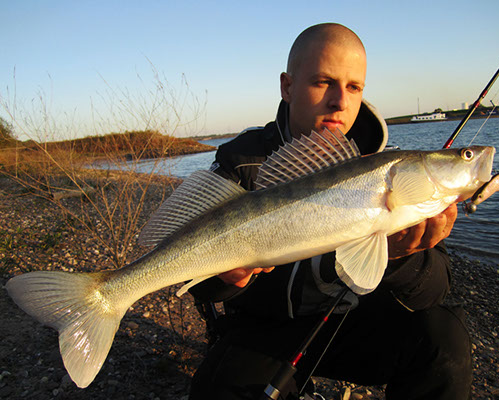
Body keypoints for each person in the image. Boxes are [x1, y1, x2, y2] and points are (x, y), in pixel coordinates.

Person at [189, 23, 472, 400]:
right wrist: (227, 277)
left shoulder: (391, 170)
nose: (340, 101)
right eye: (324, 82)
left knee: (444, 339)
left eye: (354, 87)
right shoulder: (242, 161)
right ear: (287, 86)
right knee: (216, 390)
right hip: (263, 329)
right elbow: (201, 283)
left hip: (347, 323)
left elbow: (434, 289)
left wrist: (402, 258)